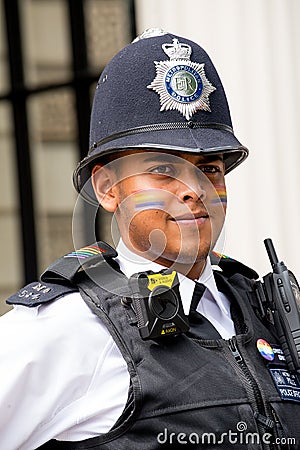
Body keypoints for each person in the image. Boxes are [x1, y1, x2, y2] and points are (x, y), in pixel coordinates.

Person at [0, 28, 299, 450]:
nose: (195, 189)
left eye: (210, 167)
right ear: (107, 188)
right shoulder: (71, 327)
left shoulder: (268, 312)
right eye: (162, 169)